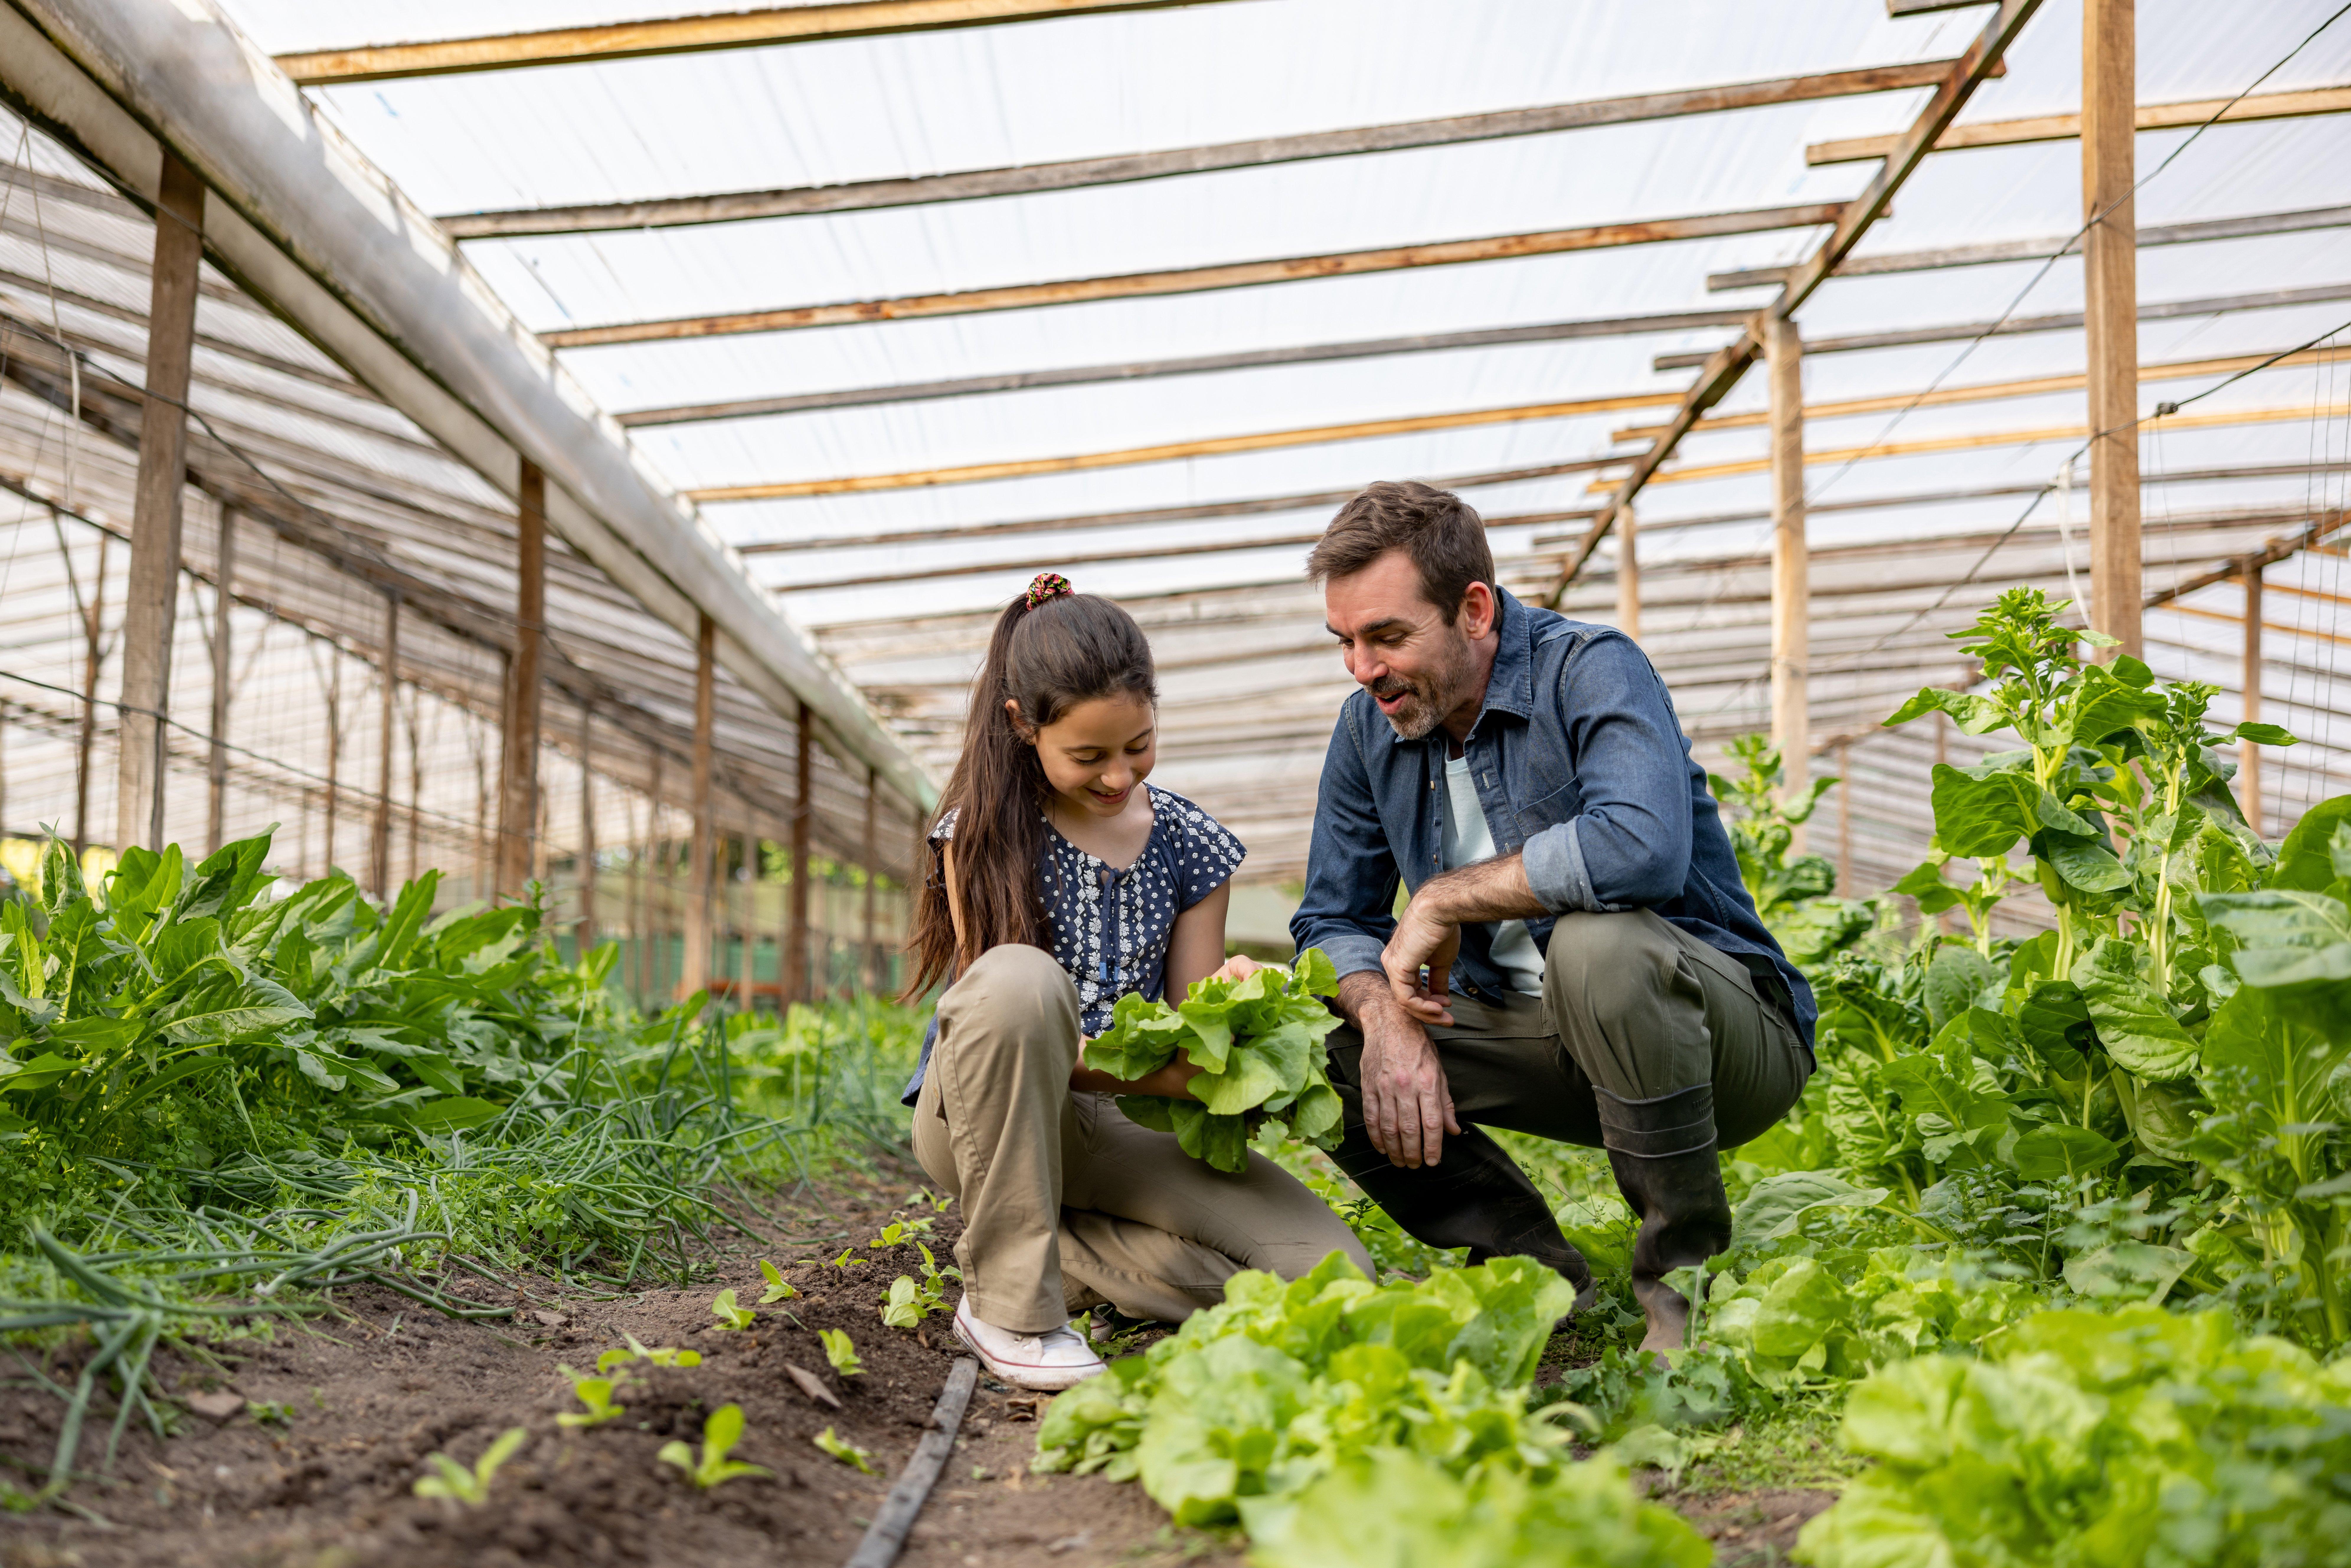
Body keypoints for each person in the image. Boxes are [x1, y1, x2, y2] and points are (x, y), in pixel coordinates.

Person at [1290, 482, 1816, 1353]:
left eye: (1387, 636)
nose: (1363, 668)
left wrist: (1439, 897)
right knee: (1314, 1037)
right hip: (1545, 1040)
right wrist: (1383, 1017)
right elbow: (1329, 918)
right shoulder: (1366, 732)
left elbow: (1640, 849)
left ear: (1475, 609)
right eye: (1345, 641)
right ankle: (1536, 1273)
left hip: (1722, 1041)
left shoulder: (1591, 668)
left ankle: (1679, 1293)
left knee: (1598, 942)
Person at [901, 572, 1371, 1391]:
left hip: (1125, 1115)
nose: (1118, 776)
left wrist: (1245, 1017)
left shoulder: (1189, 843)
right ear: (1023, 726)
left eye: (1138, 746)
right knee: (1021, 982)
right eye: (1088, 756)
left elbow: (1196, 1038)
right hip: (991, 1108)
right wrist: (1148, 1068)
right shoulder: (979, 832)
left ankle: (1051, 1247)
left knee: (1333, 1276)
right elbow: (996, 1021)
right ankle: (1011, 1305)